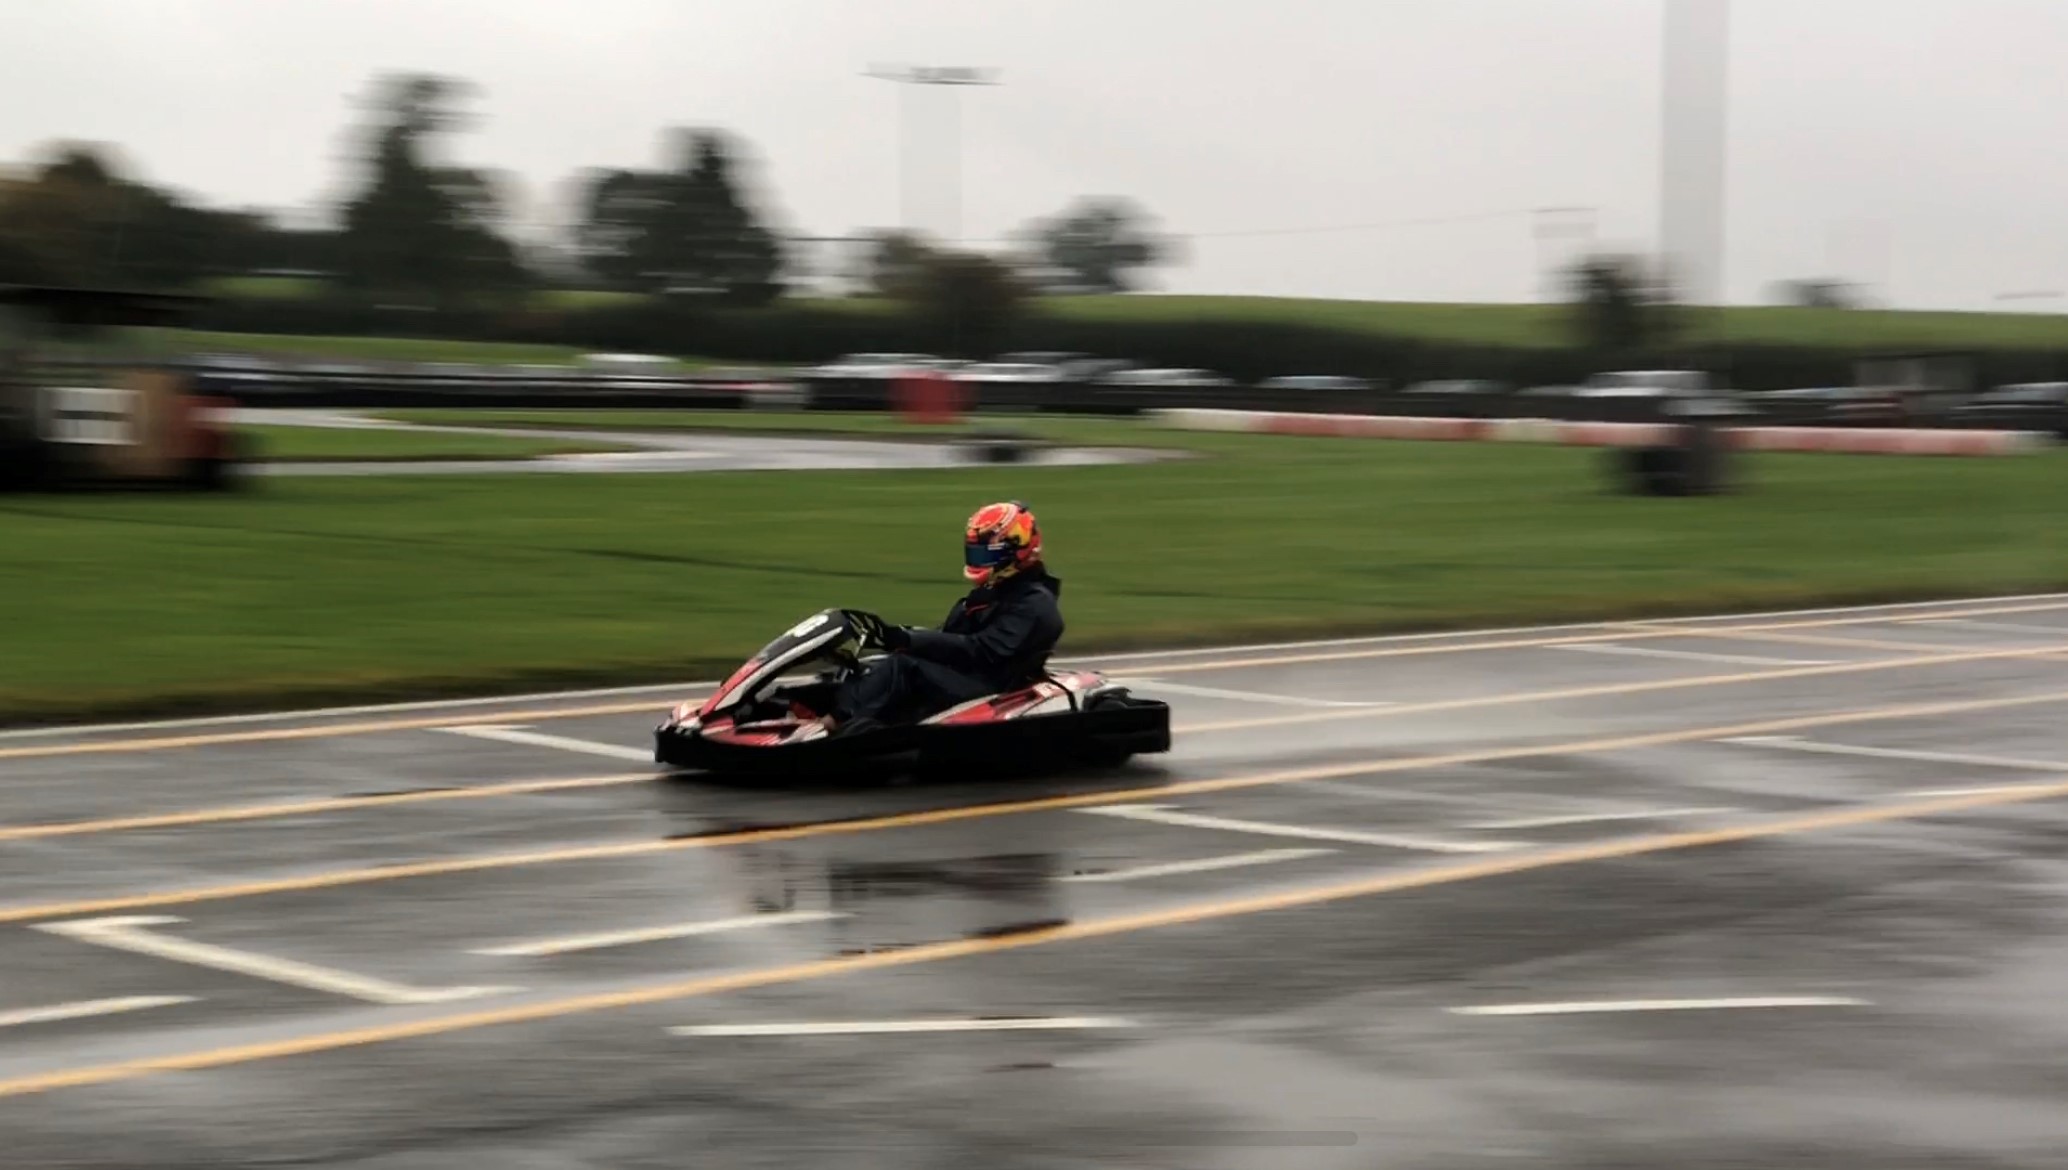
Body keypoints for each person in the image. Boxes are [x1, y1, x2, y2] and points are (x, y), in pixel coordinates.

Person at [822, 500, 1063, 736]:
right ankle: (814, 706)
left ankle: (831, 726)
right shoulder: (994, 592)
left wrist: (910, 640)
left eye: (985, 554)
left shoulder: (1033, 601)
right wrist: (900, 637)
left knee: (903, 667)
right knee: (872, 664)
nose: (978, 561)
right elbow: (950, 636)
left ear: (1017, 549)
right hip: (968, 675)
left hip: (990, 686)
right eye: (974, 553)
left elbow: (981, 651)